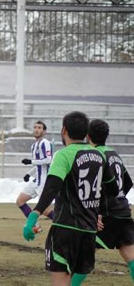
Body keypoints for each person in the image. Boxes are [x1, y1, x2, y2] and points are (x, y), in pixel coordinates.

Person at [22, 111, 118, 286]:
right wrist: (100, 213)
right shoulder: (99, 155)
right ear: (86, 133)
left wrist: (33, 215)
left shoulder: (64, 154)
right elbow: (113, 189)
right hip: (89, 231)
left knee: (61, 280)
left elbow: (52, 187)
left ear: (64, 130)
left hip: (65, 229)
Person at [88, 119, 134, 282]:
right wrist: (119, 197)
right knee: (129, 254)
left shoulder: (96, 155)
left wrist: (98, 212)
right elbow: (128, 182)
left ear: (88, 136)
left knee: (84, 251)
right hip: (122, 211)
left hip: (107, 214)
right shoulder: (114, 154)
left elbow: (96, 187)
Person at [16, 121, 54, 230]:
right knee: (20, 201)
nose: (37, 129)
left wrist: (30, 161)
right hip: (36, 180)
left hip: (44, 181)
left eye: (40, 127)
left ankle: (64, 228)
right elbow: (38, 163)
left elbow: (48, 160)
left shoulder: (45, 143)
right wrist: (28, 174)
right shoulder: (34, 146)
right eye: (35, 127)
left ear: (44, 131)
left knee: (46, 210)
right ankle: (35, 225)